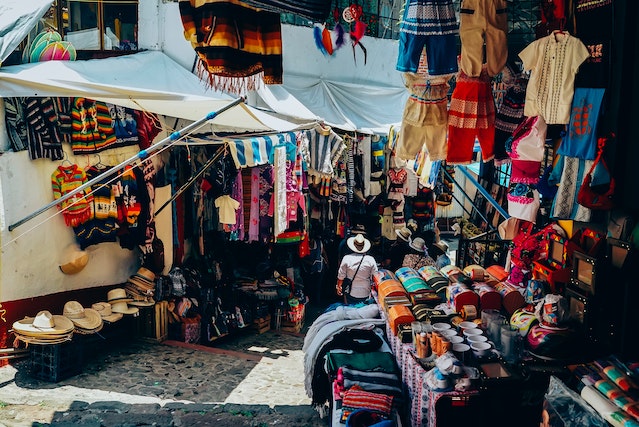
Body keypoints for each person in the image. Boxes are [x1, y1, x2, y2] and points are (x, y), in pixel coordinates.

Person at [337, 234, 378, 305]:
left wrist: (338, 287)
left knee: (349, 311)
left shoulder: (346, 258)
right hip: (365, 292)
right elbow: (375, 277)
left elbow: (341, 277)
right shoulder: (370, 260)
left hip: (350, 291)